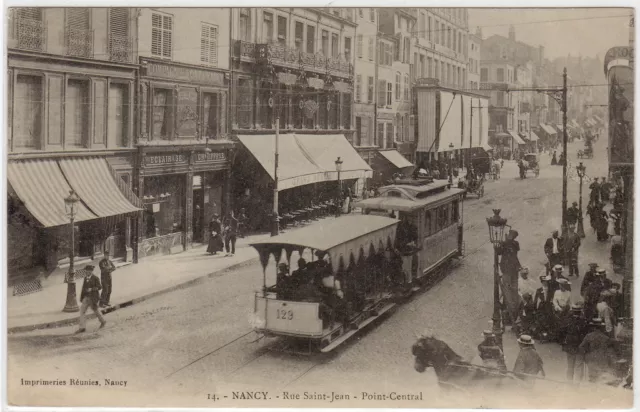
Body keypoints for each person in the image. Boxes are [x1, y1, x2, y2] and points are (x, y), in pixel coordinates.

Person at [578, 318, 616, 383]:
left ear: (593, 328)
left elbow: (581, 347)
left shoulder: (589, 336)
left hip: (591, 359)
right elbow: (609, 350)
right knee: (601, 377)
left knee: (592, 377)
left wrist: (585, 354)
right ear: (601, 328)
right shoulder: (605, 338)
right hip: (602, 359)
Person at [76, 265, 106, 333]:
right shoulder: (85, 278)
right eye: (86, 270)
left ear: (91, 271)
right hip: (86, 298)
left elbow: (100, 287)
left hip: (93, 298)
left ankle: (103, 321)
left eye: (88, 270)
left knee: (96, 311)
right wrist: (82, 298)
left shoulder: (95, 278)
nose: (86, 272)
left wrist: (92, 289)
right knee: (82, 311)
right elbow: (83, 288)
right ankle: (82, 327)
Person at [500, 230, 521, 325]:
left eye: (513, 236)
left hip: (514, 271)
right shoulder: (504, 244)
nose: (511, 237)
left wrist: (507, 241)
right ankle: (509, 314)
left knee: (514, 292)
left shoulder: (514, 244)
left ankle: (512, 313)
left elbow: (516, 249)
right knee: (507, 293)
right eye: (510, 235)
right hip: (507, 271)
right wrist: (504, 242)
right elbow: (499, 251)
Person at [562, 302, 588, 382]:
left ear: (572, 311)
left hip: (569, 345)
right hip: (580, 345)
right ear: (580, 311)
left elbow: (562, 331)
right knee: (579, 366)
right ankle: (577, 385)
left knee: (570, 366)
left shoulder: (567, 320)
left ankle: (569, 383)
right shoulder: (583, 321)